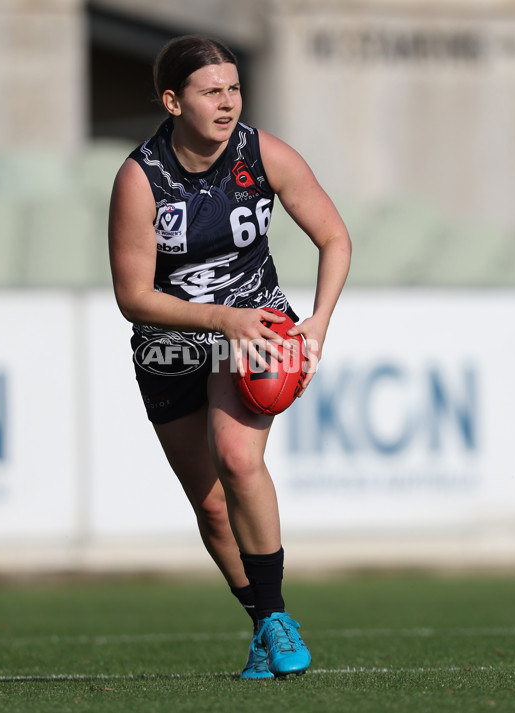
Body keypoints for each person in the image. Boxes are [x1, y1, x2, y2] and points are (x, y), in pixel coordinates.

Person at [108, 35, 351, 679]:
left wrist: (318, 322)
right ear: (172, 100)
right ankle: (260, 622)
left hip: (254, 326)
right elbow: (133, 297)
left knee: (239, 458)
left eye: (234, 88)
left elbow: (334, 237)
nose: (227, 103)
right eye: (211, 91)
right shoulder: (140, 177)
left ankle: (276, 616)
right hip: (172, 340)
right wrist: (219, 318)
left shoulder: (262, 151)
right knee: (213, 507)